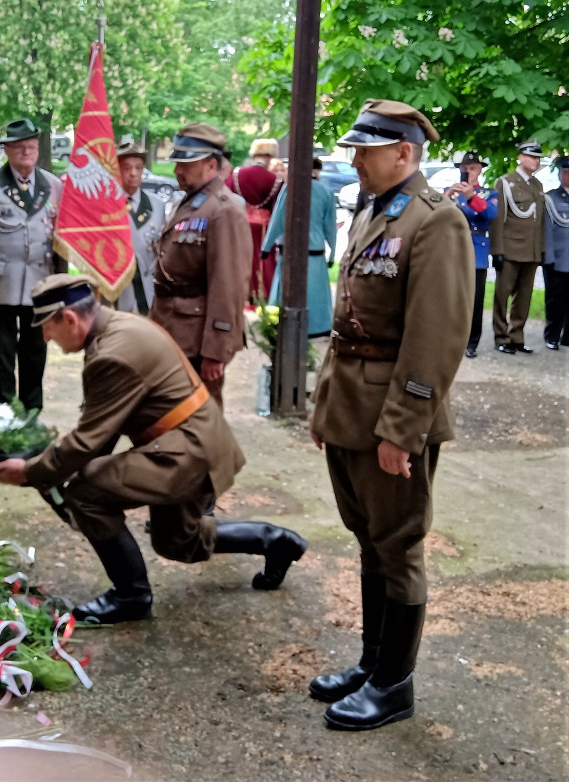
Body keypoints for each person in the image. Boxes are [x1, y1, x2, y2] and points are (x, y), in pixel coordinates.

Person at [0, 275, 307, 624]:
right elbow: (99, 431)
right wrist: (58, 471)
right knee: (177, 542)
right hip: (193, 439)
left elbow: (87, 441)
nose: (46, 337)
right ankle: (275, 540)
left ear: (69, 319)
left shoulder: (112, 355)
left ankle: (131, 596)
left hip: (187, 450)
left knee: (85, 493)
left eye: (47, 328)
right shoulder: (118, 327)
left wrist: (32, 473)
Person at [308, 99, 474, 731]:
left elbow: (435, 338)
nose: (355, 159)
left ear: (403, 153)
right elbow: (350, 325)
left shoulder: (437, 223)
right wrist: (326, 408)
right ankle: (372, 664)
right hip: (352, 406)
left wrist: (402, 429)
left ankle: (395, 686)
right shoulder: (375, 211)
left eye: (365, 149)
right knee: (369, 541)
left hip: (391, 417)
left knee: (397, 545)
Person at [149, 122, 252, 409]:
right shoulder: (193, 202)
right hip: (173, 328)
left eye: (187, 164)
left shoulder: (223, 210)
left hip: (196, 340)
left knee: (199, 420)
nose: (177, 170)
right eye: (177, 163)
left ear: (211, 164)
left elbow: (228, 284)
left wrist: (216, 350)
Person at [0, 118, 64, 410]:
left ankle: (32, 411)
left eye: (31, 147)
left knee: (35, 350)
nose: (26, 152)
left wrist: (60, 283)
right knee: (1, 351)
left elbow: (61, 239)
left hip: (41, 282)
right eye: (19, 147)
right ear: (7, 150)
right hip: (0, 283)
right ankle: (0, 411)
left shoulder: (54, 186)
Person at [261, 157, 336, 337]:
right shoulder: (326, 191)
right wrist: (332, 253)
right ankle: (317, 328)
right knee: (316, 294)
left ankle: (282, 326)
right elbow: (330, 227)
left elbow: (278, 219)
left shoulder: (290, 189)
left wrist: (266, 246)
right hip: (315, 252)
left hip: (290, 251)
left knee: (284, 294)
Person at [490, 141, 546, 354]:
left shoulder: (537, 185)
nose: (536, 161)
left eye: (539, 157)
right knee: (502, 296)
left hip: (531, 252)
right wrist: (497, 251)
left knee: (524, 297)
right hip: (510, 250)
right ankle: (501, 336)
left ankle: (517, 337)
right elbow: (498, 220)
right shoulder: (505, 183)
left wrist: (540, 249)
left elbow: (538, 221)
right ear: (521, 157)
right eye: (532, 156)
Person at [443, 151, 499, 358]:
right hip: (453, 249)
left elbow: (490, 215)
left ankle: (471, 341)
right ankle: (448, 337)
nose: (469, 172)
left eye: (473, 168)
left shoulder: (488, 194)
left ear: (480, 170)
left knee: (474, 301)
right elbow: (434, 212)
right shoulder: (449, 192)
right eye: (465, 168)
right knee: (449, 297)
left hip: (476, 250)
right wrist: (448, 195)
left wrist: (471, 197)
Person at [228, 138, 284, 301]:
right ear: (269, 157)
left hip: (241, 223)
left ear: (254, 155)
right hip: (265, 228)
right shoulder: (275, 181)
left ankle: (240, 291)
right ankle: (262, 293)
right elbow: (277, 209)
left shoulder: (237, 174)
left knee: (241, 255)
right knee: (263, 260)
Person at [113, 141, 165, 315]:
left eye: (138, 167)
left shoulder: (156, 205)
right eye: (126, 168)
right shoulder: (107, 207)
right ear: (117, 170)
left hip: (149, 292)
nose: (133, 173)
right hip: (117, 292)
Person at [542, 157, 569, 349]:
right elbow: (546, 230)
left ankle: (567, 337)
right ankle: (552, 335)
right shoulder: (550, 198)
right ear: (560, 175)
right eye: (565, 173)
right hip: (557, 259)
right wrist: (548, 257)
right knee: (555, 301)